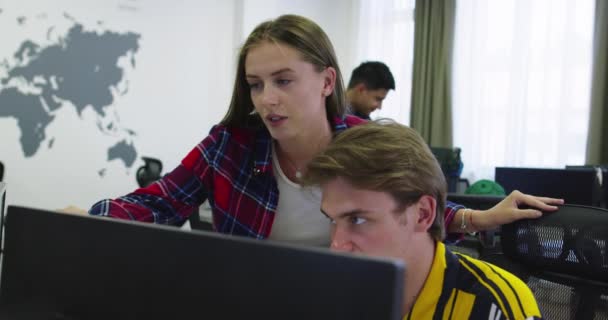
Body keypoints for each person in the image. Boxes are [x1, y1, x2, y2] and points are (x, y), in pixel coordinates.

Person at [88, 14, 561, 247]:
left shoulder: (363, 141)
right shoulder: (230, 143)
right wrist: (89, 219)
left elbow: (416, 208)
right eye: (256, 84)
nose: (266, 99)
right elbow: (160, 201)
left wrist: (477, 218)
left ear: (327, 82)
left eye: (284, 81)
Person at [302, 120, 543, 319]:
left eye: (357, 219)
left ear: (423, 214)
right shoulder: (332, 294)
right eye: (332, 220)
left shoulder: (497, 308)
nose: (336, 245)